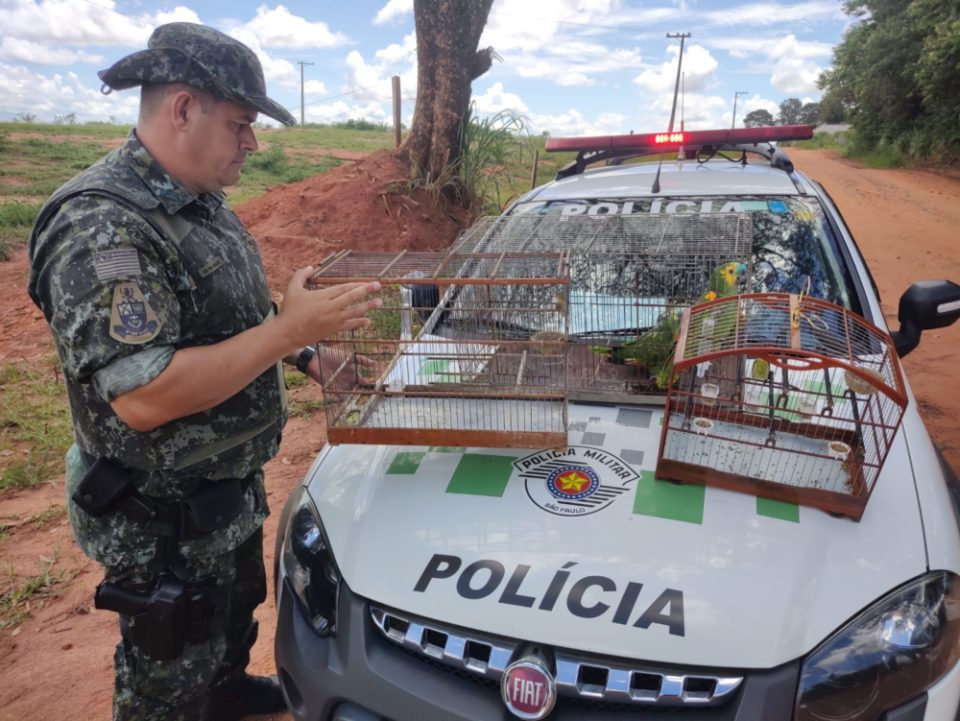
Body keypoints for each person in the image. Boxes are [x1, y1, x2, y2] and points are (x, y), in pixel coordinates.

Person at [26, 22, 381, 721]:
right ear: (183, 107)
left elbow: (226, 323)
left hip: (220, 492)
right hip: (160, 513)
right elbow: (144, 393)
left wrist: (305, 354)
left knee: (226, 621)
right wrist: (289, 328)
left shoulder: (196, 205)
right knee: (169, 664)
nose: (252, 141)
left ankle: (223, 688)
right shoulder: (104, 225)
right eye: (241, 122)